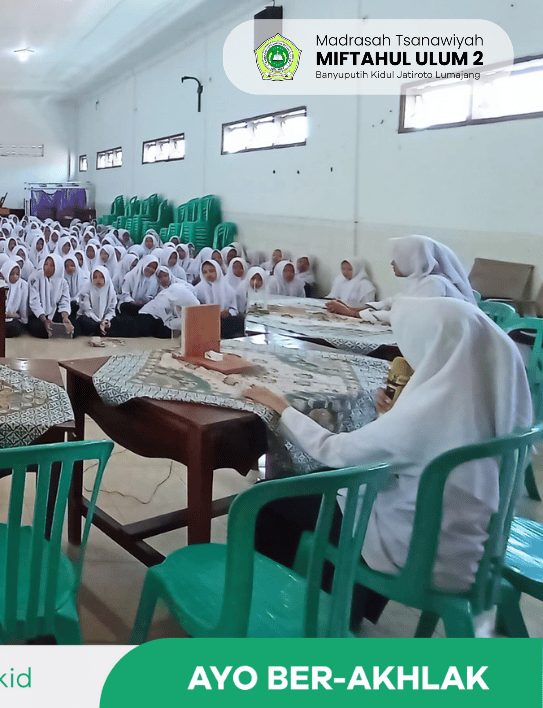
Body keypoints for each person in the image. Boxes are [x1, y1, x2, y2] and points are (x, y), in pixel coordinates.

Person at [243, 297, 532, 629]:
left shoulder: (425, 413)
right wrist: (388, 416)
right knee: (341, 494)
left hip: (417, 556)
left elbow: (333, 449)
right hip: (473, 551)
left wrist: (282, 407)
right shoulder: (496, 400)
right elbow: (411, 449)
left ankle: (278, 615)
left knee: (271, 498)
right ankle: (347, 609)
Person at [328, 236, 475, 324]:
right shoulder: (422, 281)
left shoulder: (434, 284)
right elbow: (396, 302)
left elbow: (405, 316)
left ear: (412, 259)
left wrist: (353, 314)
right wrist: (355, 308)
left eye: (398, 258)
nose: (392, 263)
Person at [193, 258, 245, 338]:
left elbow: (234, 309)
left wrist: (228, 312)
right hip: (206, 322)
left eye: (211, 271)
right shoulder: (198, 290)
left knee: (239, 321)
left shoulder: (228, 289)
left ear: (218, 271)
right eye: (205, 272)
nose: (208, 274)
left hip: (223, 321)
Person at [26, 254, 72, 339]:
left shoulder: (63, 283)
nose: (47, 267)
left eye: (51, 265)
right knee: (39, 329)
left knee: (73, 327)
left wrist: (65, 318)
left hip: (54, 311)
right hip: (39, 315)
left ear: (58, 268)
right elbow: (34, 302)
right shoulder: (36, 278)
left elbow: (65, 301)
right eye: (46, 264)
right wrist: (44, 320)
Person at [75, 267, 118, 337]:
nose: (98, 280)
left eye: (101, 277)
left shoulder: (111, 291)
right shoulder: (86, 289)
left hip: (104, 320)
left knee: (118, 322)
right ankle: (100, 329)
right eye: (95, 277)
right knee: (83, 321)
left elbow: (111, 310)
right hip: (90, 318)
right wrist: (99, 322)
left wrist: (106, 320)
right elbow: (87, 310)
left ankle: (101, 329)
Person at [0, 256, 30, 338]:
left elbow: (23, 308)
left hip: (12, 319)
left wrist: (19, 317)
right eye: (12, 274)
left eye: (17, 274)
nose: (15, 277)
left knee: (15, 328)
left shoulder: (23, 285)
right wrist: (7, 314)